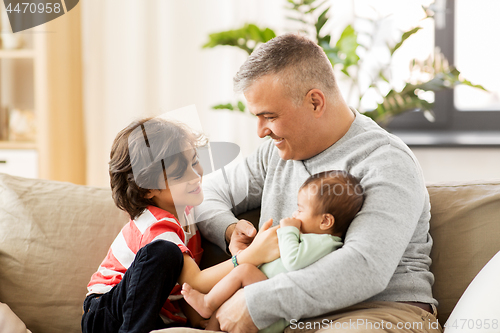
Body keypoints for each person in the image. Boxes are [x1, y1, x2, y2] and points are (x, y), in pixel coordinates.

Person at [194, 33, 442, 333]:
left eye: (269, 116)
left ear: (315, 101)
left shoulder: (385, 160)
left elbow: (365, 266)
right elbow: (203, 194)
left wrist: (258, 301)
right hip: (293, 317)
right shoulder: (275, 155)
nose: (260, 131)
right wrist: (231, 230)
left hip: (380, 313)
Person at [82, 117, 279, 333]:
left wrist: (197, 322)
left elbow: (184, 287)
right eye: (179, 174)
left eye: (194, 161)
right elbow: (197, 280)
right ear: (147, 189)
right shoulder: (157, 224)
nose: (195, 176)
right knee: (164, 252)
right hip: (105, 313)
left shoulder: (187, 215)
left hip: (150, 312)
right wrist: (253, 254)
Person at [183, 170, 364, 332]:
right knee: (231, 295)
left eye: (300, 210)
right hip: (262, 288)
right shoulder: (312, 237)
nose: (294, 215)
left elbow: (293, 261)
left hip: (272, 309)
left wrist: (288, 230)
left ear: (325, 221)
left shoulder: (325, 242)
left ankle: (207, 304)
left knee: (244, 270)